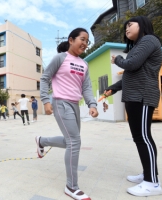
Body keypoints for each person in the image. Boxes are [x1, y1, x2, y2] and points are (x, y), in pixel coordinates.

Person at [35, 28, 98, 200]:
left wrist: (92, 104)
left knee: (70, 141)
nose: (85, 43)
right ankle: (72, 186)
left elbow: (86, 87)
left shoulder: (84, 64)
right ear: (71, 40)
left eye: (87, 41)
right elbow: (45, 78)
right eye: (82, 39)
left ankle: (42, 141)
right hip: (61, 103)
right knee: (74, 141)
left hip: (75, 105)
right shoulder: (60, 58)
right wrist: (46, 101)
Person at [104, 16, 162, 197]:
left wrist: (118, 59)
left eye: (130, 25)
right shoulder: (138, 46)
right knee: (139, 137)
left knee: (144, 137)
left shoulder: (149, 40)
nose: (126, 29)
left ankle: (152, 183)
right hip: (134, 96)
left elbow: (130, 64)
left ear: (142, 25)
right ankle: (147, 174)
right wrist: (112, 89)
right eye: (125, 27)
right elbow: (132, 75)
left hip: (143, 96)